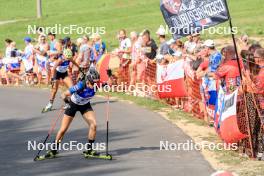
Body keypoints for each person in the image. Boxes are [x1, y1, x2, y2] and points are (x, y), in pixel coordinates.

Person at [40, 68, 100, 159]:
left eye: (96, 82)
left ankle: (89, 150)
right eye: (93, 83)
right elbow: (63, 94)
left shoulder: (96, 84)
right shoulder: (80, 85)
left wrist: (110, 77)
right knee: (63, 129)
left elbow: (109, 85)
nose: (94, 85)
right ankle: (53, 150)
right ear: (88, 80)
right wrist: (66, 101)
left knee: (94, 125)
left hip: (85, 105)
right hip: (73, 105)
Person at [42, 37, 80, 113]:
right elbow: (53, 69)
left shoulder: (69, 56)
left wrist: (80, 68)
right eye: (67, 57)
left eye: (69, 57)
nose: (68, 59)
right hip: (57, 73)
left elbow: (73, 61)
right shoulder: (61, 59)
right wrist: (52, 79)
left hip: (64, 73)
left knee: (72, 88)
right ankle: (50, 104)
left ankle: (68, 103)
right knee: (54, 90)